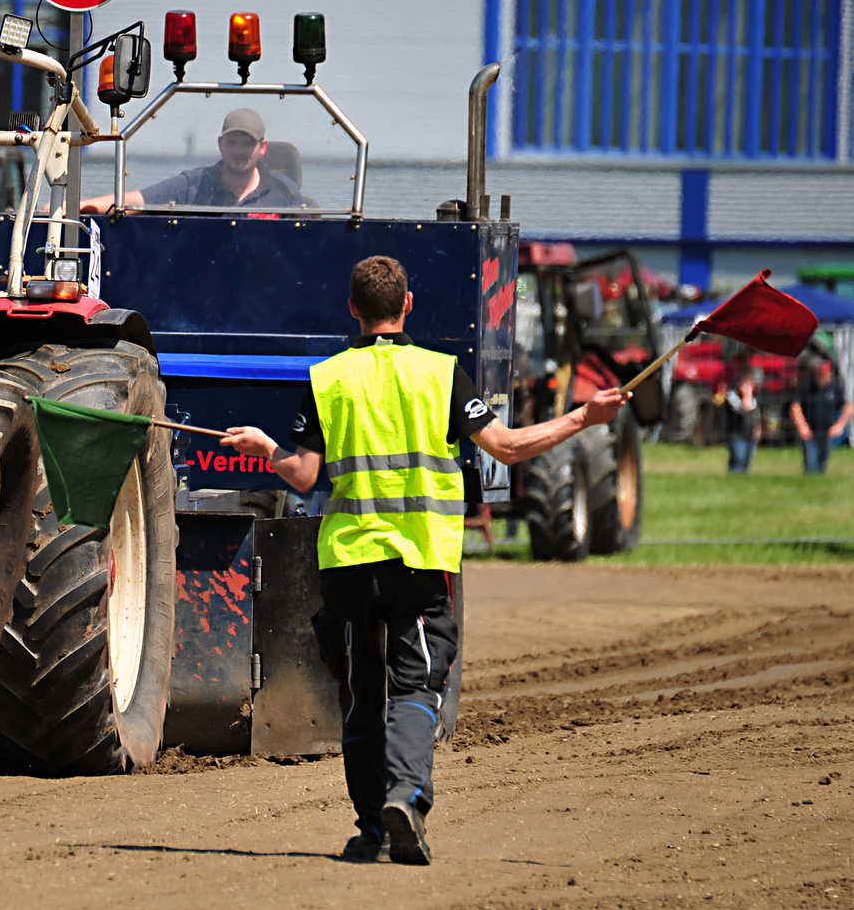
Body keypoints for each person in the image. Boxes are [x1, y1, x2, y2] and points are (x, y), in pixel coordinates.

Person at [220, 255, 627, 866]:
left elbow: (303, 475)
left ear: (352, 309)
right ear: (407, 305)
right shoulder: (443, 375)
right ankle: (404, 798)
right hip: (420, 562)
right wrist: (583, 416)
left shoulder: (328, 379)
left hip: (349, 564)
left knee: (361, 694)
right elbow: (510, 449)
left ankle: (370, 828)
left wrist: (267, 446)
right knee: (416, 686)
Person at [79, 108, 302, 214]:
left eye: (247, 144)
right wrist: (71, 209)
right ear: (220, 144)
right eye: (232, 142)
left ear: (262, 148)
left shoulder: (285, 192)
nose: (239, 151)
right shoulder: (192, 185)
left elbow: (305, 248)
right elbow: (132, 202)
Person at [789, 358, 851, 474]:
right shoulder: (808, 388)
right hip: (810, 432)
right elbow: (795, 407)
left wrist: (839, 425)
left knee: (822, 464)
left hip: (827, 432)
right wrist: (802, 426)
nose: (821, 377)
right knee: (811, 465)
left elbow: (848, 407)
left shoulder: (835, 389)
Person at [721, 368, 762, 474]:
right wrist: (746, 395)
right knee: (738, 459)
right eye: (746, 384)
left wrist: (758, 429)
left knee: (747, 462)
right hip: (736, 435)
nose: (749, 388)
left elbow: (756, 415)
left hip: (750, 435)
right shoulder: (731, 396)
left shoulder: (754, 399)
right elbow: (743, 409)